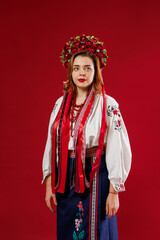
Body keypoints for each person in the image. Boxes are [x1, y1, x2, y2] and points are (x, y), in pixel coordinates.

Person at [41, 34, 132, 240]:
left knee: (96, 232)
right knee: (68, 231)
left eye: (87, 68)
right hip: (65, 177)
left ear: (96, 71)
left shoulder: (108, 104)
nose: (82, 73)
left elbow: (118, 147)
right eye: (77, 68)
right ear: (70, 71)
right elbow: (51, 145)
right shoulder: (60, 104)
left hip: (96, 176)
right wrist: (49, 185)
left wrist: (114, 191)